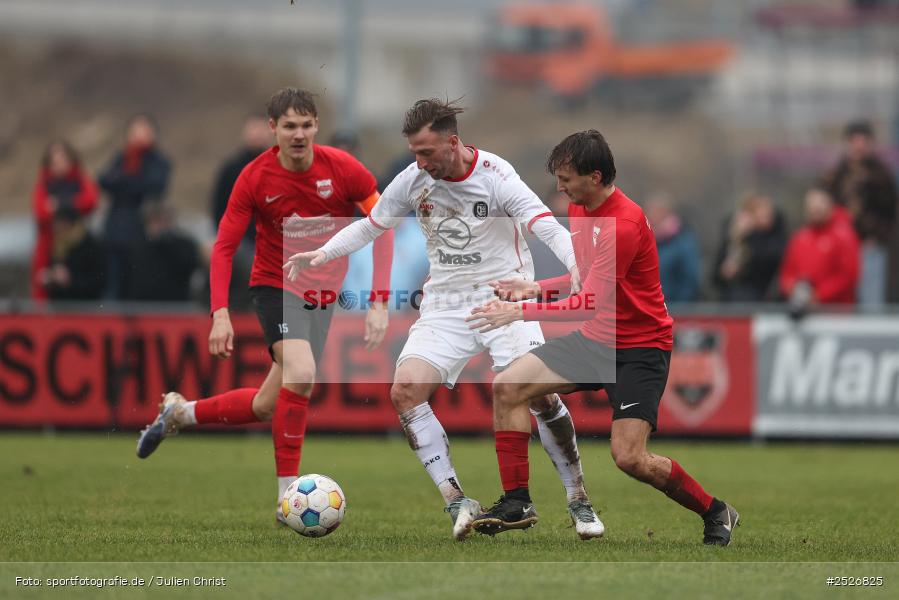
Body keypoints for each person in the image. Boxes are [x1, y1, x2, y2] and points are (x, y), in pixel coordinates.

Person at [285, 98, 604, 542]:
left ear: (453, 142)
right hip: (445, 305)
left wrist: (576, 267)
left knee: (540, 398)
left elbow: (545, 226)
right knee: (405, 390)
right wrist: (323, 252)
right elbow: (372, 225)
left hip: (504, 299)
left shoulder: (497, 177)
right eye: (415, 152)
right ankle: (457, 498)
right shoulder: (413, 180)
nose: (420, 162)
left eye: (427, 152)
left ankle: (578, 498)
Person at [465, 130, 740, 546]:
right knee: (507, 386)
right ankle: (517, 501)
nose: (560, 187)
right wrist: (536, 288)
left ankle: (716, 511)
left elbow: (587, 301)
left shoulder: (624, 224)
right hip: (596, 340)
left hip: (639, 349)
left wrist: (517, 310)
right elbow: (585, 280)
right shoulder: (579, 208)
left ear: (595, 177)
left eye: (567, 178)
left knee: (630, 458)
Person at [135, 88, 395, 522]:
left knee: (264, 405)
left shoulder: (344, 170)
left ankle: (181, 412)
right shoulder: (255, 177)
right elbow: (223, 247)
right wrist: (220, 313)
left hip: (320, 297)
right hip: (275, 285)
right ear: (272, 129)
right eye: (289, 126)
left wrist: (379, 302)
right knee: (304, 374)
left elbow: (383, 226)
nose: (299, 134)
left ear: (316, 126)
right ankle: (287, 500)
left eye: (306, 125)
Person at [822, 120, 898, 305]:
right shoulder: (837, 174)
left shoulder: (880, 175)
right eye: (855, 141)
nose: (859, 146)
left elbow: (889, 211)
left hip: (869, 245)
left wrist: (877, 236)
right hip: (840, 245)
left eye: (863, 141)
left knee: (870, 298)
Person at [99, 114, 171, 299]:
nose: (139, 135)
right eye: (135, 130)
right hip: (116, 232)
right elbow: (103, 180)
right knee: (114, 287)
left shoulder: (159, 161)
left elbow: (155, 186)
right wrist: (131, 182)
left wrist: (124, 181)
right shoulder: (122, 157)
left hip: (143, 233)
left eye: (144, 130)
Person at [210, 115, 272, 310]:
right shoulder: (231, 169)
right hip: (240, 242)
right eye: (253, 129)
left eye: (261, 130)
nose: (257, 134)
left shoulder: (279, 167)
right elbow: (218, 207)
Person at [31, 140, 99, 301]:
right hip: (49, 242)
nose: (58, 165)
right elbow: (41, 211)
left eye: (62, 160)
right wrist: (72, 203)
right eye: (54, 161)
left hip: (77, 241)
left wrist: (60, 204)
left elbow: (90, 201)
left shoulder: (80, 180)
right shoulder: (44, 184)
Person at [779, 185, 860, 310]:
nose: (815, 208)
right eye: (811, 204)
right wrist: (794, 290)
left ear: (830, 205)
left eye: (820, 203)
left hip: (836, 313)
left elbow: (848, 275)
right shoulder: (800, 237)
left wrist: (819, 295)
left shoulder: (843, 235)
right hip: (804, 311)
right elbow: (787, 273)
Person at [712, 192, 787, 302]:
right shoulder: (733, 239)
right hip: (730, 299)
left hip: (760, 299)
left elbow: (768, 261)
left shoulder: (773, 239)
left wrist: (749, 236)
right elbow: (716, 276)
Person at [124, 202, 201, 302]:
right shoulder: (135, 247)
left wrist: (168, 242)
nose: (160, 226)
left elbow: (191, 266)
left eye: (164, 221)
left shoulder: (184, 245)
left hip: (176, 308)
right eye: (155, 221)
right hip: (142, 308)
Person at [39, 206, 105, 302]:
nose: (56, 227)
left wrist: (70, 281)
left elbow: (98, 280)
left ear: (70, 223)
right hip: (61, 306)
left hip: (85, 306)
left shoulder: (90, 244)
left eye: (60, 223)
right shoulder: (57, 244)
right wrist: (50, 278)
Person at [645, 193, 700, 304]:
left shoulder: (682, 239)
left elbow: (690, 277)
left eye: (657, 211)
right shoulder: (644, 236)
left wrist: (680, 305)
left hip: (674, 308)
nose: (653, 215)